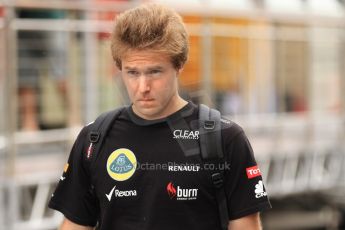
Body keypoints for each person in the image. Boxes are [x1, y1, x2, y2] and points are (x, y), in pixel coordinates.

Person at [48, 3, 271, 230]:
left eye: (155, 72)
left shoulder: (225, 138)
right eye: (132, 72)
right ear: (119, 67)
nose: (142, 87)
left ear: (179, 65)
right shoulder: (94, 138)